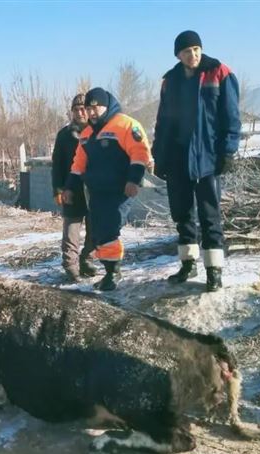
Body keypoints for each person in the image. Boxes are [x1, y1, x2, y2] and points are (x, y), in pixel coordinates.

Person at [152, 30, 241, 292]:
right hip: (178, 157)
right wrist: (160, 155)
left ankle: (214, 270)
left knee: (209, 214)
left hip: (207, 158)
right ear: (178, 55)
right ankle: (188, 264)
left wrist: (228, 151)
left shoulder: (219, 72)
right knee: (181, 213)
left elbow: (231, 116)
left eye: (196, 49)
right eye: (187, 51)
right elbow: (163, 121)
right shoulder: (170, 80)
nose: (193, 55)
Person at [63, 87, 152, 291]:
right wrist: (69, 187)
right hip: (97, 191)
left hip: (119, 190)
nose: (92, 113)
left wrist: (134, 180)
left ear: (107, 106)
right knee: (99, 233)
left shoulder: (125, 124)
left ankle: (113, 273)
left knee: (109, 230)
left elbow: (140, 154)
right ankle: (109, 269)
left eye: (96, 108)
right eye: (88, 109)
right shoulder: (86, 134)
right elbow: (78, 164)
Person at [51, 93, 98, 282]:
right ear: (71, 112)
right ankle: (71, 266)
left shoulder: (98, 131)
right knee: (72, 230)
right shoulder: (65, 135)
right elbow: (57, 164)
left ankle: (88, 259)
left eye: (83, 109)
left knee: (95, 228)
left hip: (95, 188)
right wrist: (58, 189)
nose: (80, 113)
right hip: (72, 189)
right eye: (76, 109)